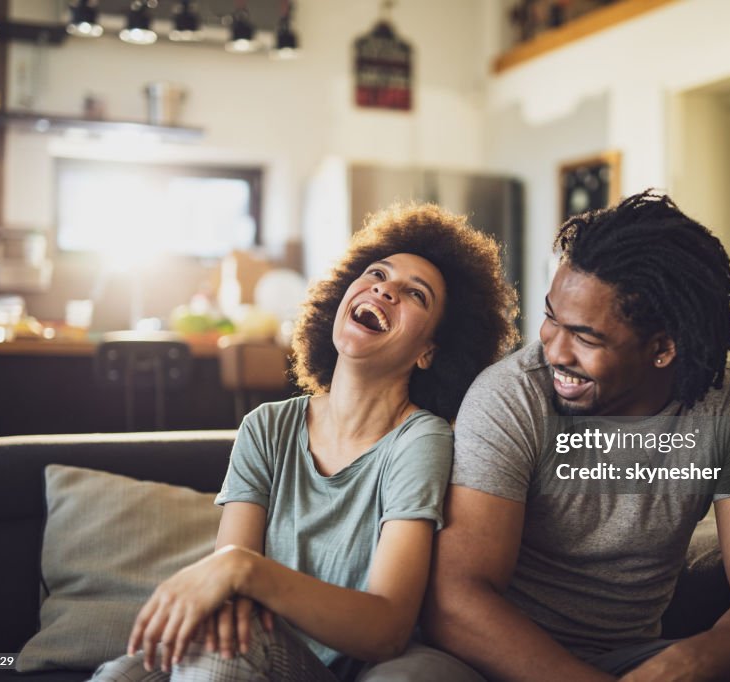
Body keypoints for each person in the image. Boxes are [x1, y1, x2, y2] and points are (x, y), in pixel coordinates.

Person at [405, 191, 730, 681]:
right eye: (550, 318)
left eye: (585, 337)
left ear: (663, 348)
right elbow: (457, 601)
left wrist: (691, 661)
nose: (554, 349)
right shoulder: (511, 397)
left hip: (632, 660)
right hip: (491, 659)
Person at [90, 203, 518, 682]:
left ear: (429, 352)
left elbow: (388, 627)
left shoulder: (420, 440)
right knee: (125, 673)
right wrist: (234, 579)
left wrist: (244, 572)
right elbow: (231, 593)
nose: (385, 288)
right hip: (251, 650)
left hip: (321, 668)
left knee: (224, 652)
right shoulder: (265, 428)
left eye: (415, 294)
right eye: (377, 273)